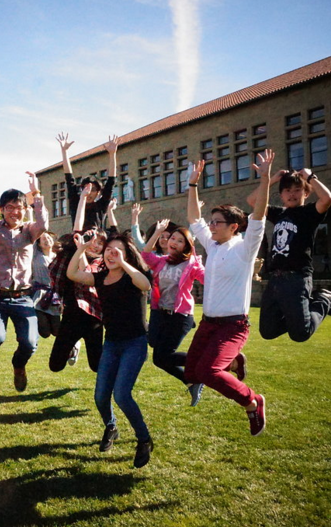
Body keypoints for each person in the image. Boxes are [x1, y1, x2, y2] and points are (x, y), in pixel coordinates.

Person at [185, 151, 273, 437]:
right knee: (192, 372)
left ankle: (252, 401)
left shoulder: (245, 248)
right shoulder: (213, 245)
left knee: (209, 372)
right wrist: (193, 184)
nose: (210, 226)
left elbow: (259, 215)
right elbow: (193, 218)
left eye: (216, 222)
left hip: (233, 324)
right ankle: (234, 361)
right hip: (209, 323)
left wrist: (265, 179)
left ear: (233, 227)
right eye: (211, 222)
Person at [67, 233, 154, 468]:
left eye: (117, 250)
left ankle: (144, 439)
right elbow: (72, 274)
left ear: (127, 254)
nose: (111, 253)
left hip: (134, 343)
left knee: (122, 395)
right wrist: (82, 249)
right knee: (100, 396)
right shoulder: (101, 277)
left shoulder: (133, 276)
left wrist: (123, 262)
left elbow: (145, 285)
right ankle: (111, 427)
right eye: (108, 250)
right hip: (112, 344)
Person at [246, 168, 331, 342]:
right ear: (281, 195)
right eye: (287, 190)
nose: (292, 194)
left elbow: (327, 199)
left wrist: (309, 177)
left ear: (306, 193)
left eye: (297, 189)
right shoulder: (279, 214)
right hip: (275, 279)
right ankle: (300, 315)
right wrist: (272, 179)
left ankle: (322, 300)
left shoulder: (309, 213)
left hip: (297, 278)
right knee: (268, 331)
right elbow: (253, 200)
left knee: (300, 334)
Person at [0, 173, 48, 392]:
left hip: (23, 297)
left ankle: (19, 366)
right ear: (2, 209)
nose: (15, 211)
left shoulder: (29, 231)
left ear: (25, 209)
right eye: (10, 207)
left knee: (30, 343)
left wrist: (36, 193)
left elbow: (43, 222)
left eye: (19, 207)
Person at [141, 220, 206, 405]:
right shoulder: (161, 261)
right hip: (159, 312)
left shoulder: (191, 265)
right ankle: (192, 381)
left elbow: (206, 279)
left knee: (161, 359)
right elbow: (145, 254)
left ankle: (203, 363)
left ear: (186, 246)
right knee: (155, 346)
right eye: (172, 238)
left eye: (179, 241)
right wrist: (158, 231)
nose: (173, 242)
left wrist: (199, 262)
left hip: (179, 316)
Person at [48, 185, 106, 372]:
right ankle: (73, 348)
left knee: (97, 366)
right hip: (72, 315)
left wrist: (81, 249)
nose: (94, 246)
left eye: (100, 244)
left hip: (94, 317)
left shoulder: (103, 264)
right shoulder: (74, 252)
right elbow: (77, 229)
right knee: (55, 366)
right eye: (92, 241)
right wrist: (82, 199)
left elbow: (86, 272)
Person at [57, 132, 119, 230]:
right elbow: (69, 179)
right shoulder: (76, 203)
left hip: (97, 242)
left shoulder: (101, 205)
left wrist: (112, 154)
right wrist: (64, 152)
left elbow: (111, 181)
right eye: (86, 188)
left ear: (98, 192)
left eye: (93, 189)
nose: (89, 192)